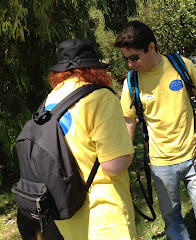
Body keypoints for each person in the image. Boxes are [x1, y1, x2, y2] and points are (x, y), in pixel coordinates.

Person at [114, 21, 196, 240]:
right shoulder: (131, 82)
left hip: (194, 155)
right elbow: (129, 123)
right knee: (172, 218)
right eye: (126, 59)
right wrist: (125, 159)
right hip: (161, 164)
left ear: (151, 47)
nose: (130, 64)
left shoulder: (181, 65)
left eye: (134, 57)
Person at [46, 39, 137, 239]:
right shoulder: (100, 98)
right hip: (105, 216)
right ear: (94, 69)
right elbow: (114, 164)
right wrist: (128, 149)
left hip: (67, 213)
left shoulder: (51, 99)